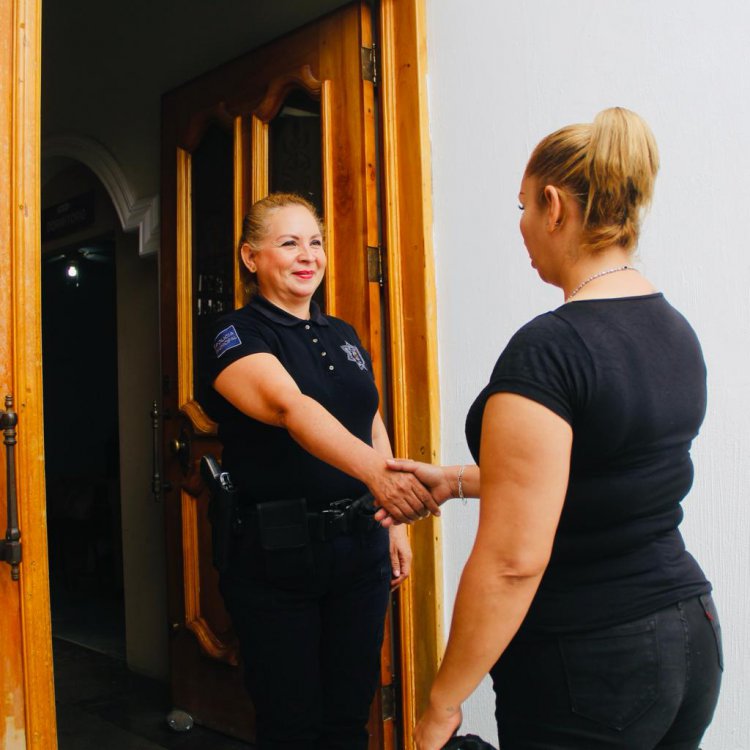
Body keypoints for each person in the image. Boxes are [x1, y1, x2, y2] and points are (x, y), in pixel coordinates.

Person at [386, 108, 723, 750]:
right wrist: (456, 481)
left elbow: (513, 562)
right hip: (691, 637)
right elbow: (595, 476)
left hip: (595, 657)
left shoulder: (551, 348)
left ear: (553, 205)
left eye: (521, 207)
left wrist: (439, 705)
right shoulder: (674, 329)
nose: (520, 227)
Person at [203, 192, 438, 750]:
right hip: (276, 557)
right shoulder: (234, 334)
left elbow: (369, 419)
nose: (307, 255)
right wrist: (385, 480)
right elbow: (292, 408)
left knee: (348, 717)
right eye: (288, 243)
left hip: (358, 549)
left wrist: (394, 520)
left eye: (315, 242)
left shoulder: (344, 334)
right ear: (250, 257)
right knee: (292, 725)